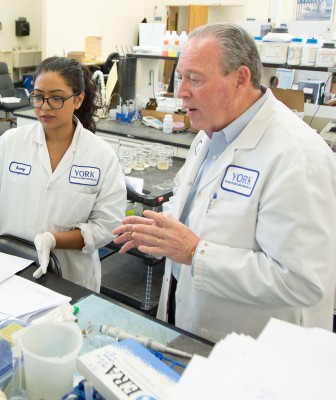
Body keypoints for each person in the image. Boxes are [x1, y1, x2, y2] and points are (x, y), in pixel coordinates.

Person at [113, 23, 336, 342]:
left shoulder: (299, 156)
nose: (181, 92)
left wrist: (195, 253)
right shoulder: (212, 133)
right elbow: (192, 205)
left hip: (253, 351)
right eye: (180, 78)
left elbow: (301, 280)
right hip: (185, 320)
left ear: (240, 79)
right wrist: (162, 231)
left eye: (195, 79)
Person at [0, 56, 126, 292]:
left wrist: (54, 239)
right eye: (37, 97)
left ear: (78, 99)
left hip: (72, 279)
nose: (44, 107)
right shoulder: (11, 143)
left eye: (56, 98)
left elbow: (107, 225)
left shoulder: (101, 155)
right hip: (13, 269)